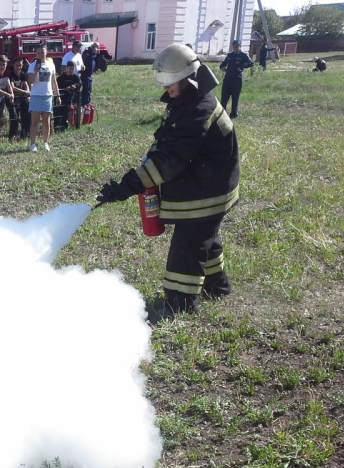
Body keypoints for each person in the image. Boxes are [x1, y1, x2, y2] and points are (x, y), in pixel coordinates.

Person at [96, 43, 240, 316]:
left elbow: (170, 160)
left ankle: (180, 303)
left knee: (187, 247)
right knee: (205, 238)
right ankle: (217, 286)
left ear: (188, 78)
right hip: (211, 184)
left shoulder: (199, 111)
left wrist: (128, 186)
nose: (165, 88)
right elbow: (167, 143)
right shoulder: (189, 101)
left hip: (208, 190)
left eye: (170, 82)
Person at [27, 44, 60, 152]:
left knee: (46, 122)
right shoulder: (32, 65)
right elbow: (29, 81)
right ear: (36, 54)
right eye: (39, 53)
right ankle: (33, 144)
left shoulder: (51, 65)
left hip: (47, 95)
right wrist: (36, 70)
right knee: (34, 122)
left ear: (46, 53)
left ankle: (45, 143)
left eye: (42, 52)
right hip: (36, 95)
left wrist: (57, 95)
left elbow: (54, 81)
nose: (41, 55)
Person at [219, 39, 254, 118]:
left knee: (235, 98)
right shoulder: (229, 55)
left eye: (237, 46)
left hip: (236, 79)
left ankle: (233, 114)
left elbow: (251, 63)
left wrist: (241, 66)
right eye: (234, 46)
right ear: (232, 46)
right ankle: (222, 114)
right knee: (224, 97)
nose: (235, 48)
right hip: (227, 79)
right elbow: (222, 64)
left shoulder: (243, 55)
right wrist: (223, 67)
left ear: (240, 47)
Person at [7, 57, 30, 142]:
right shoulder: (10, 75)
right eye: (17, 65)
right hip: (13, 98)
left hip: (22, 98)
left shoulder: (23, 74)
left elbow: (25, 84)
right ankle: (12, 136)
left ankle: (24, 135)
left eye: (20, 65)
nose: (18, 67)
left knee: (25, 117)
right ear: (13, 65)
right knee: (14, 118)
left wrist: (28, 94)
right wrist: (25, 92)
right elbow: (12, 87)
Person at [55, 61, 81, 132]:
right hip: (61, 98)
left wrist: (75, 85)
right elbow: (57, 87)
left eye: (72, 69)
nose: (71, 70)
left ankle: (65, 127)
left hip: (71, 99)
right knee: (58, 114)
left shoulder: (75, 77)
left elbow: (79, 83)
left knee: (66, 114)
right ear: (66, 68)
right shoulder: (60, 78)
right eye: (70, 68)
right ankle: (57, 128)